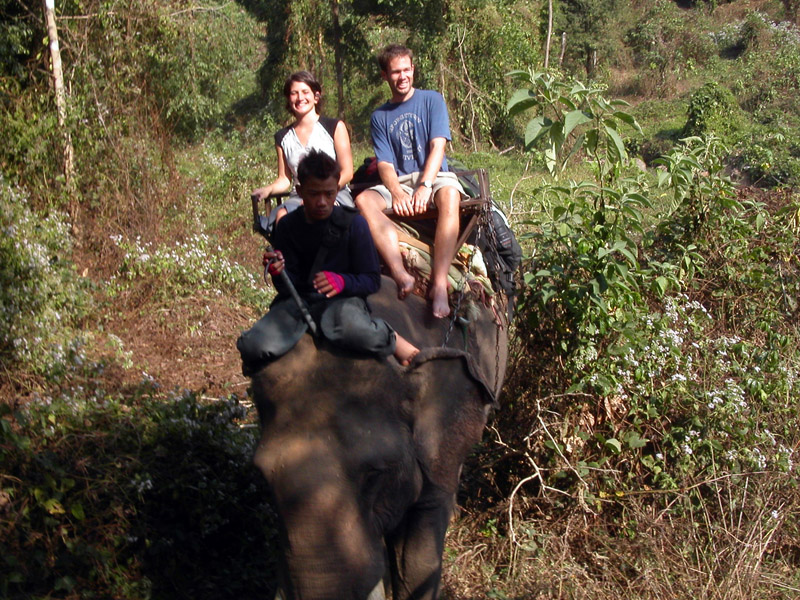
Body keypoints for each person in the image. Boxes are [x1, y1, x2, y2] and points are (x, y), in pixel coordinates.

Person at [238, 150, 419, 372]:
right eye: (314, 194)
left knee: (354, 330)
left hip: (343, 303)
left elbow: (372, 280)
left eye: (329, 193)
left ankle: (392, 337)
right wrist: (279, 272)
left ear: (337, 190)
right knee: (252, 346)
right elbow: (287, 288)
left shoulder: (355, 225)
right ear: (300, 191)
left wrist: (343, 282)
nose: (322, 202)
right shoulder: (286, 226)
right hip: (299, 302)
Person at [355, 44, 466, 319]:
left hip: (434, 175)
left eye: (406, 70)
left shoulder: (432, 100)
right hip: (401, 180)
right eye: (395, 72)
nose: (402, 76)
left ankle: (439, 282)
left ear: (413, 70)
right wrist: (397, 192)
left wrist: (426, 186)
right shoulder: (379, 116)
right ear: (385, 75)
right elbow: (384, 163)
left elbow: (438, 146)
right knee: (363, 200)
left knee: (450, 194)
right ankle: (400, 272)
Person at [251, 71, 354, 225]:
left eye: (305, 92)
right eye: (294, 93)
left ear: (316, 96)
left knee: (326, 217)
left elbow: (347, 171)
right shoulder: (282, 137)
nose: (300, 98)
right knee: (282, 217)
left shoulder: (334, 127)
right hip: (299, 196)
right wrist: (268, 190)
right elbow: (284, 179)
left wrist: (325, 194)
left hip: (335, 193)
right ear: (288, 98)